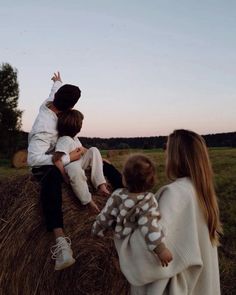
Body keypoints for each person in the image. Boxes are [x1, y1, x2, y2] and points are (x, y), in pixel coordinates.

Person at [27, 72, 122, 271]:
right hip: (47, 163)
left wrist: (57, 81)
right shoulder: (43, 127)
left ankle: (130, 199)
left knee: (105, 164)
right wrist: (69, 158)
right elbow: (33, 159)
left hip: (69, 154)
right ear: (70, 107)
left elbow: (55, 91)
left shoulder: (54, 99)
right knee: (52, 177)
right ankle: (61, 243)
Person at [115, 130, 222, 295]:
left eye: (167, 148)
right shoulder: (200, 191)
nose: (164, 152)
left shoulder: (176, 193)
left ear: (177, 155)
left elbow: (148, 248)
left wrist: (121, 229)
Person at [92, 154, 173, 268]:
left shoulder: (117, 195)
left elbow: (105, 216)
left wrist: (97, 229)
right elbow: (149, 225)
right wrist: (160, 249)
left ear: (124, 178)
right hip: (138, 241)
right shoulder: (148, 200)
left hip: (120, 236)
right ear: (151, 182)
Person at [53, 109, 110, 213]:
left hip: (80, 162)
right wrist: (64, 176)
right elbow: (57, 160)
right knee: (75, 169)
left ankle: (101, 184)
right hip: (69, 166)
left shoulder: (74, 138)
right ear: (75, 125)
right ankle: (88, 200)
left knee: (94, 150)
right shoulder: (63, 140)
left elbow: (83, 150)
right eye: (80, 123)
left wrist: (99, 158)